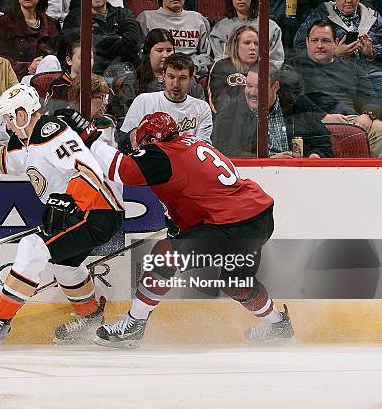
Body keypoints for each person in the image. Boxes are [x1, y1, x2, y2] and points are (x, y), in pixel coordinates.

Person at [65, 110, 294, 348]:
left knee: (165, 254)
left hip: (232, 224)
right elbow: (206, 191)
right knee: (236, 282)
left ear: (151, 141)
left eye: (142, 146)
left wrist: (88, 135)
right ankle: (278, 324)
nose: (139, 152)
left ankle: (134, 325)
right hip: (259, 218)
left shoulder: (162, 154)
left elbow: (119, 169)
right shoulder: (193, 144)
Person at [0, 83, 124, 350]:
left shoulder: (52, 132)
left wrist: (69, 199)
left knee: (33, 247)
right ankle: (90, 318)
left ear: (22, 114)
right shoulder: (31, 142)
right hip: (89, 212)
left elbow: (86, 166)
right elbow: (9, 160)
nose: (8, 127)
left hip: (95, 210)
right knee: (65, 265)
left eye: (9, 120)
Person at [287, 19, 382, 156]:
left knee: (379, 130)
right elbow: (292, 101)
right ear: (307, 43)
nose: (320, 45)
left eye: (325, 40)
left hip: (353, 121)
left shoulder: (353, 68)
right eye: (315, 40)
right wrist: (323, 117)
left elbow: (371, 97)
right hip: (313, 123)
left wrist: (367, 115)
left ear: (336, 43)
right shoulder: (293, 67)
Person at [212, 64, 333, 158]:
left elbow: (324, 143)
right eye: (249, 86)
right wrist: (269, 160)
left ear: (275, 87)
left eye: (259, 87)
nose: (252, 93)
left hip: (297, 176)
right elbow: (224, 152)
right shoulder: (231, 111)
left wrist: (315, 156)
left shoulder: (297, 103)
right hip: (254, 178)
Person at [293, 0, 382, 99]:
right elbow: (300, 45)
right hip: (334, 75)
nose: (349, 0)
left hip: (372, 75)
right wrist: (333, 53)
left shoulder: (374, 18)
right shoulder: (321, 15)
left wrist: (371, 52)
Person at [109, 28, 205, 121]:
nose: (165, 55)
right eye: (159, 50)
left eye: (169, 50)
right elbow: (128, 118)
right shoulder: (133, 82)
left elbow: (201, 113)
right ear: (148, 52)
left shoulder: (189, 81)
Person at [118, 53, 213, 146]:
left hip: (186, 160)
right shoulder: (143, 101)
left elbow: (203, 148)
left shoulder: (202, 108)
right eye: (171, 77)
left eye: (182, 78)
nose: (176, 84)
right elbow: (123, 139)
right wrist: (132, 136)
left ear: (191, 78)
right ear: (163, 76)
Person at [63, 0, 141, 75]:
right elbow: (77, 45)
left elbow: (133, 43)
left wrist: (97, 40)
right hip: (93, 75)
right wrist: (117, 39)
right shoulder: (74, 18)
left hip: (125, 73)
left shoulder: (124, 14)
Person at [136, 0, 212, 76]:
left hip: (191, 74)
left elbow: (207, 56)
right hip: (156, 74)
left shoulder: (198, 19)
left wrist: (195, 66)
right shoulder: (146, 18)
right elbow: (139, 54)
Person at [0, 0, 60, 81]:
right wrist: (28, 66)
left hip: (47, 74)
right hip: (16, 79)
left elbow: (59, 57)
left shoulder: (51, 24)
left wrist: (42, 64)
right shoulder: (5, 23)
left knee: (51, 60)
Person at [210, 0, 284, 69]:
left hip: (262, 76)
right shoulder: (220, 28)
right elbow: (221, 61)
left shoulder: (271, 27)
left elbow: (275, 61)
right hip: (231, 76)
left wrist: (254, 74)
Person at [208, 25, 259, 114]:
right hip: (228, 121)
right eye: (247, 43)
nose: (253, 47)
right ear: (236, 46)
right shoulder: (222, 66)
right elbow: (215, 103)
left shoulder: (266, 69)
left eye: (256, 43)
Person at [67, 74, 117, 148]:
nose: (106, 102)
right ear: (84, 98)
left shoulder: (106, 122)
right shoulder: (66, 122)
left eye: (106, 97)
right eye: (101, 97)